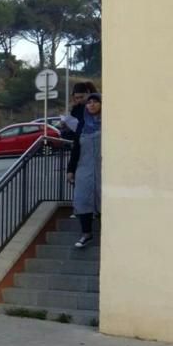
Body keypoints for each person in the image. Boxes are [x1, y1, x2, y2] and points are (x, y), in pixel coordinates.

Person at [67, 93, 102, 248]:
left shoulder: (109, 122)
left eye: (96, 102)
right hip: (84, 167)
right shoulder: (82, 124)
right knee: (82, 198)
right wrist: (70, 170)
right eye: (89, 102)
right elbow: (76, 149)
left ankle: (105, 233)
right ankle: (86, 233)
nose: (92, 105)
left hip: (103, 168)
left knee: (102, 199)